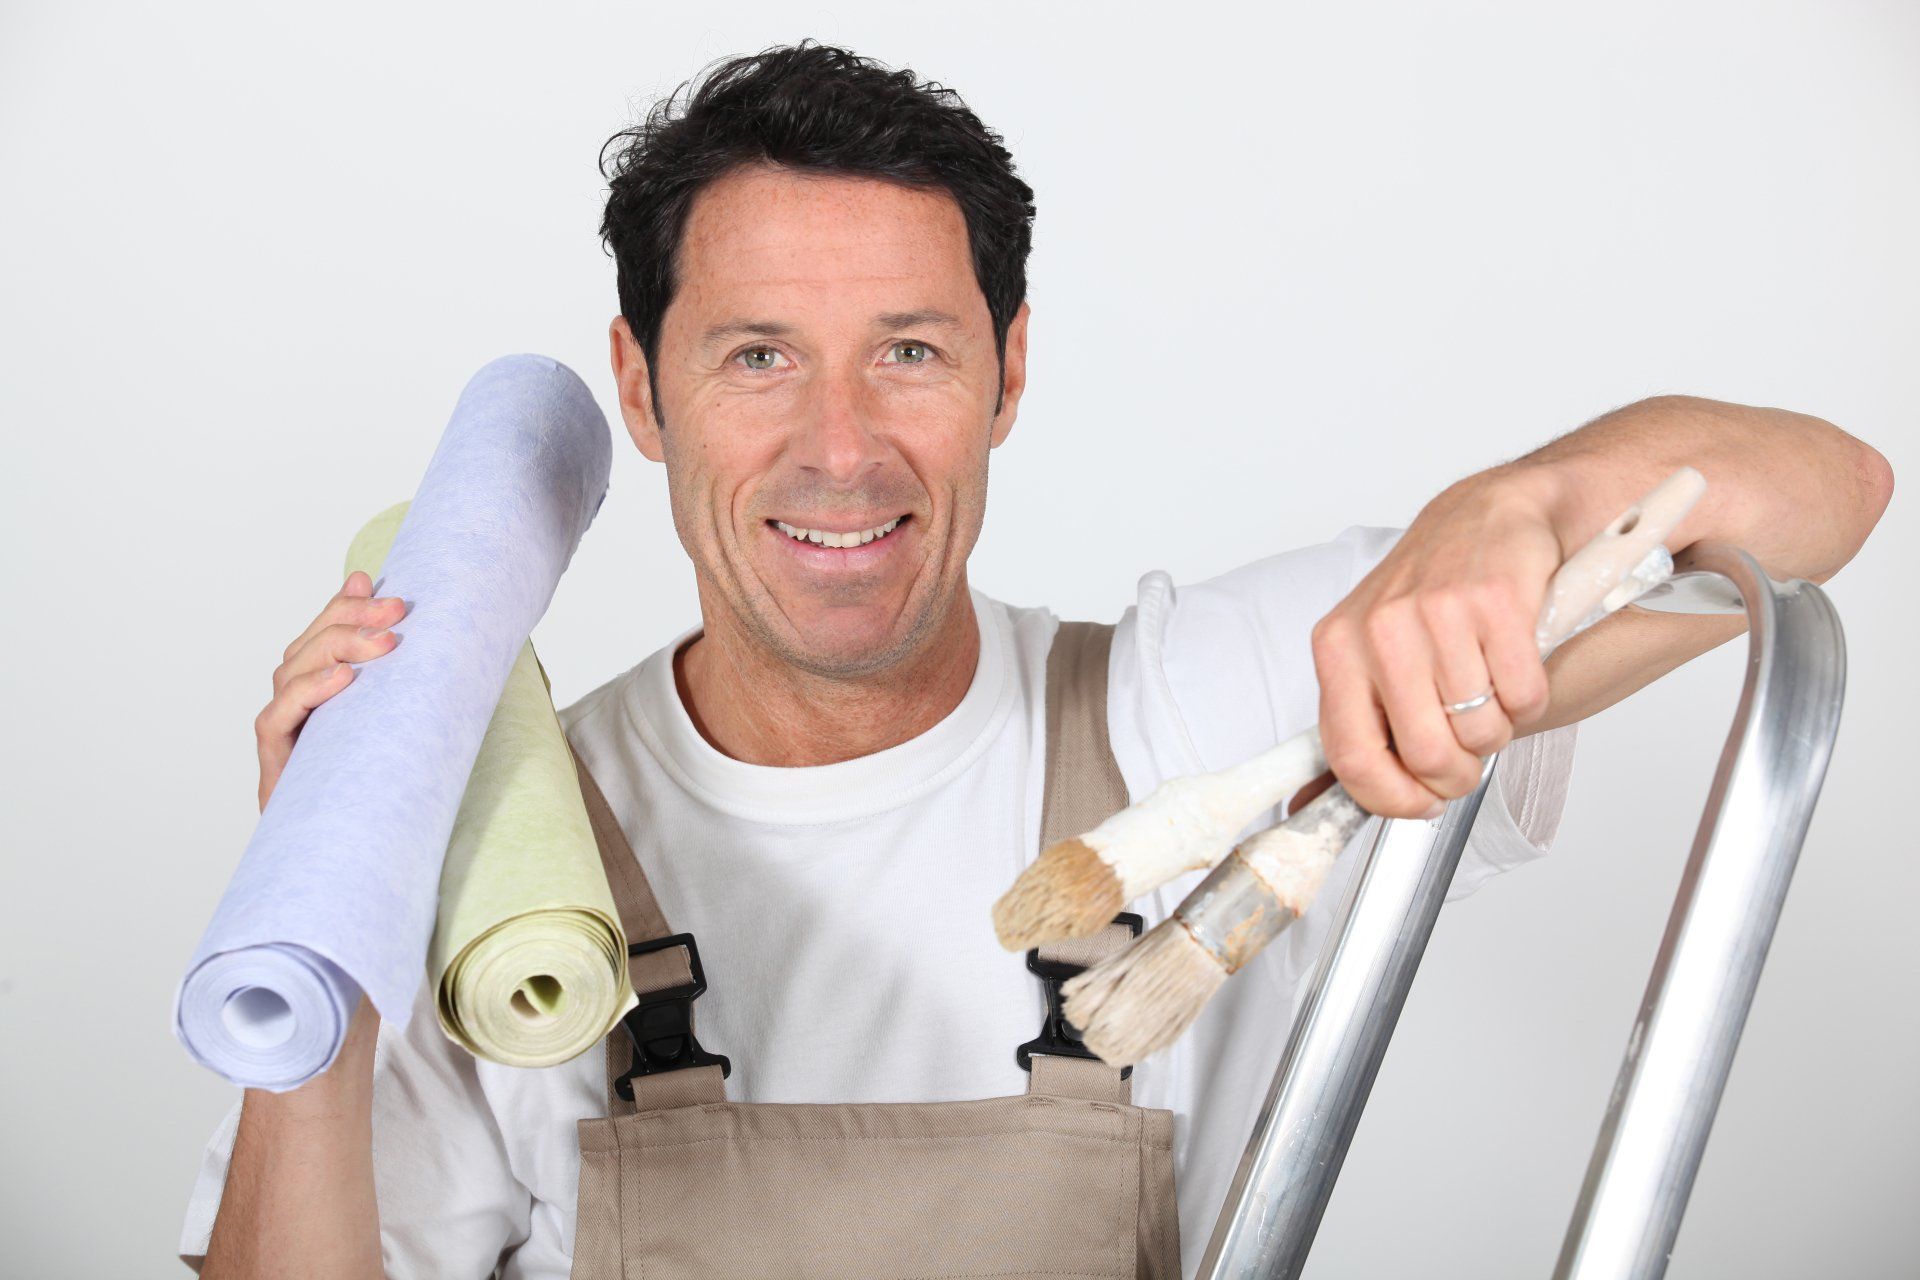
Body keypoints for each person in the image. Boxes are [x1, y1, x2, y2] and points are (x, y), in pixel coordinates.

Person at [181, 41, 1892, 1279]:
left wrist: (1502, 514)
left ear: (1008, 373)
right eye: (758, 355)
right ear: (642, 389)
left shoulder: (1197, 710)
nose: (838, 448)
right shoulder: (506, 871)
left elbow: (1830, 491)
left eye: (910, 352)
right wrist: (324, 944)